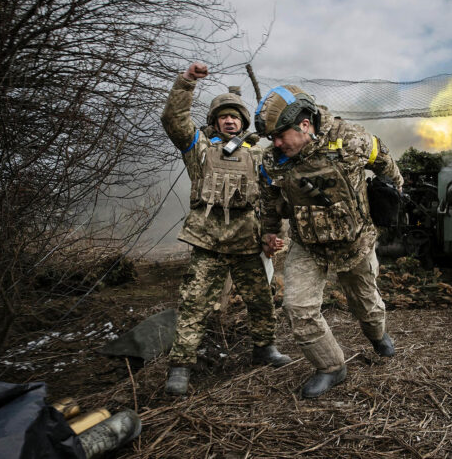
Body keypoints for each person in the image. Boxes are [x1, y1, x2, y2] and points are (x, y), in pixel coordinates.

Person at [255, 85, 404, 398]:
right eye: (272, 138)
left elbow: (387, 167)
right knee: (297, 308)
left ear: (304, 125)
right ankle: (331, 367)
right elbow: (268, 201)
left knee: (367, 307)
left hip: (355, 243)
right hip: (308, 245)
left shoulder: (351, 139)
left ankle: (377, 335)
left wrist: (390, 198)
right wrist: (270, 232)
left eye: (280, 135)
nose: (276, 144)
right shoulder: (273, 161)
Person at [160, 63, 291, 396]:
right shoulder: (199, 148)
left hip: (247, 240)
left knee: (262, 299)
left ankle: (264, 348)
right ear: (215, 121)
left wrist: (272, 233)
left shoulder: (258, 154)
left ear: (243, 122)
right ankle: (181, 366)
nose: (230, 120)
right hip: (208, 241)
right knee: (193, 304)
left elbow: (272, 196)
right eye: (223, 116)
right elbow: (174, 120)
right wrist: (186, 82)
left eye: (235, 116)